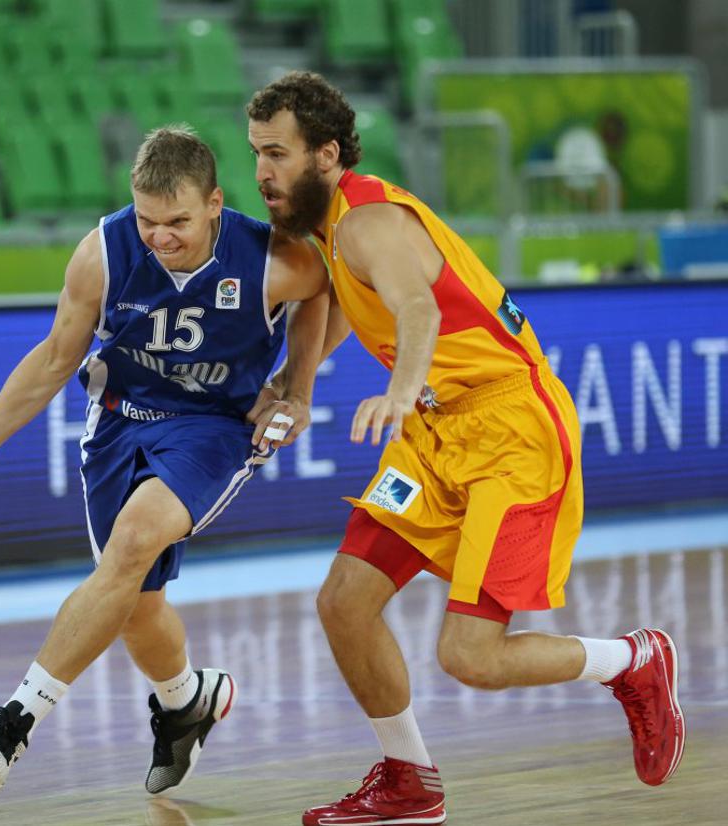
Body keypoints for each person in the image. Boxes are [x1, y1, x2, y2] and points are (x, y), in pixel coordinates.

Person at [246, 71, 685, 826]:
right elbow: (346, 299)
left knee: (470, 658)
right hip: (434, 435)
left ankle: (633, 660)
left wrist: (397, 390)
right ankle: (409, 782)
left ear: (326, 154)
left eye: (276, 153)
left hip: (511, 434)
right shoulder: (328, 229)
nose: (261, 170)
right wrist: (295, 385)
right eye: (256, 152)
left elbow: (416, 309)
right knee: (344, 603)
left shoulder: (369, 221)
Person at [0, 126, 328, 795]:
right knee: (134, 602)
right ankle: (186, 703)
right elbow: (53, 360)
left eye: (177, 222)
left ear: (214, 203)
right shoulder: (103, 252)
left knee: (133, 542)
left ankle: (14, 721)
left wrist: (296, 388)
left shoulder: (270, 259)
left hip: (213, 426)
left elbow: (324, 289)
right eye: (148, 221)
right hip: (119, 421)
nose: (160, 237)